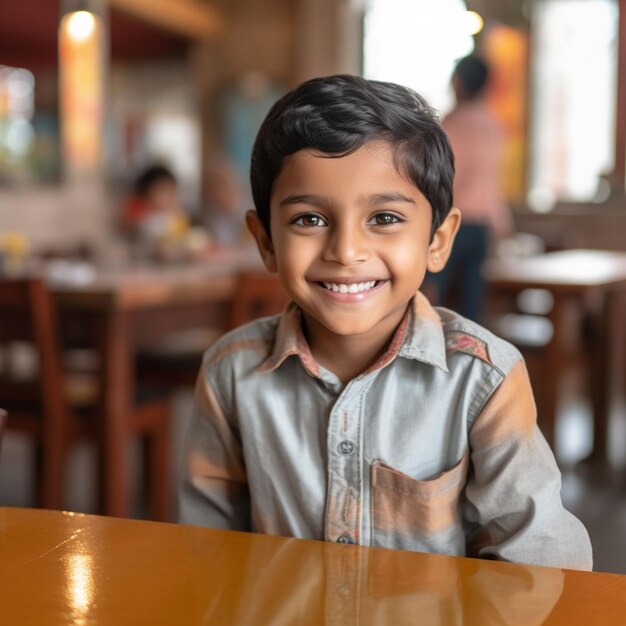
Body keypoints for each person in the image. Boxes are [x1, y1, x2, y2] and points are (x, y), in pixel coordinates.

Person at [179, 75, 591, 570]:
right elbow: (207, 551)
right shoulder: (230, 373)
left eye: (385, 218)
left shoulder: (483, 380)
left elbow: (539, 560)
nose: (346, 251)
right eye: (309, 219)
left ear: (438, 241)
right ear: (266, 240)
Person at [427, 54, 512, 323]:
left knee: (431, 294)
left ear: (460, 82)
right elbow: (493, 179)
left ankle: (425, 352)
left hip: (453, 220)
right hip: (483, 224)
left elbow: (444, 178)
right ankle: (470, 358)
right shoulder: (492, 124)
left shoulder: (452, 124)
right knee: (472, 301)